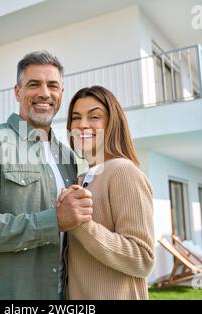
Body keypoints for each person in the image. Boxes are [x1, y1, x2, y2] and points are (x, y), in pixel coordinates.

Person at [0, 51, 93, 300]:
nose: (44, 93)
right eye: (33, 84)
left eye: (52, 85)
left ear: (61, 93)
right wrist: (53, 221)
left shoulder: (68, 157)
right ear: (18, 92)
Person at [59, 85, 155, 300]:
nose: (82, 124)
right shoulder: (84, 178)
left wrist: (81, 224)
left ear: (112, 122)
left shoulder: (123, 170)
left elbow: (142, 259)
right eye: (76, 117)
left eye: (94, 117)